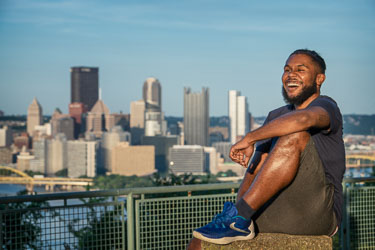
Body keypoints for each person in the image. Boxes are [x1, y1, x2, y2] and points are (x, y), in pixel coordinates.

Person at [188, 49, 345, 247]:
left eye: (301, 69)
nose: (291, 74)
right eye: (287, 70)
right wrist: (239, 211)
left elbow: (305, 119)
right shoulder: (276, 116)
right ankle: (239, 219)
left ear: (319, 79)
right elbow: (255, 168)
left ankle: (241, 216)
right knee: (200, 239)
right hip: (279, 209)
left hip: (318, 213)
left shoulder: (327, 106)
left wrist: (250, 138)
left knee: (295, 132)